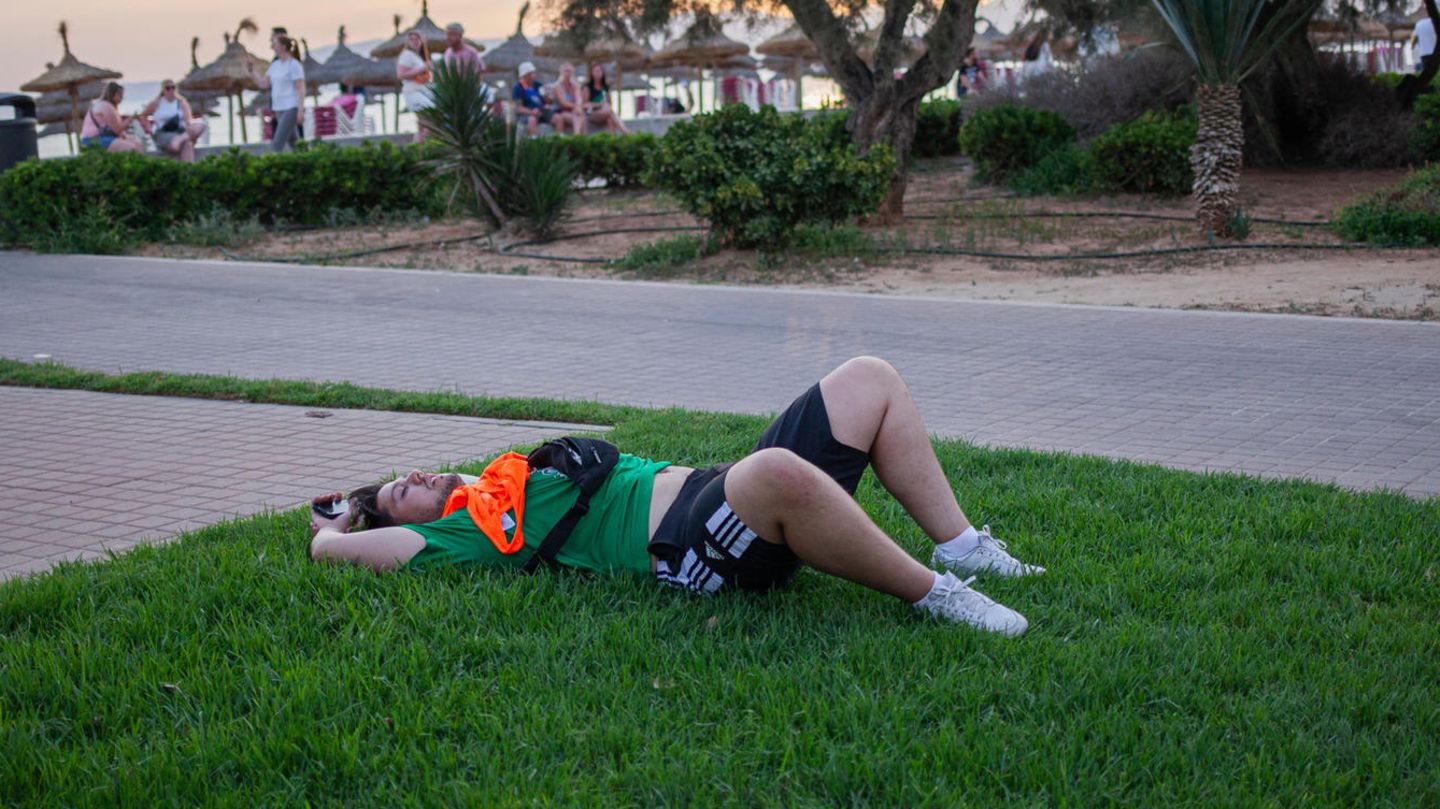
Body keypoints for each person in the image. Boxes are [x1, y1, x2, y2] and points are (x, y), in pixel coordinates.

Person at [308, 357, 1046, 637]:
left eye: (408, 472)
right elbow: (331, 548)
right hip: (689, 549)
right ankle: (938, 594)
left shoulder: (505, 481)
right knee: (776, 471)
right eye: (399, 495)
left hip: (714, 490)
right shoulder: (459, 539)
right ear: (406, 524)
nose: (413, 480)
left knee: (869, 378)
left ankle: (965, 544)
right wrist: (341, 519)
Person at [249, 34, 305, 152]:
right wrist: (252, 71)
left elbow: (300, 89)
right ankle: (307, 163)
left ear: (283, 47)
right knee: (294, 142)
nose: (272, 47)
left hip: (291, 107)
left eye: (274, 44)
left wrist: (300, 110)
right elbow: (264, 84)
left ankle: (272, 167)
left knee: (277, 143)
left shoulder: (294, 65)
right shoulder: (275, 65)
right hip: (278, 108)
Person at [139, 80, 207, 162]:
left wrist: (188, 129)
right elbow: (143, 116)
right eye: (168, 88)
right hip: (164, 132)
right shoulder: (157, 103)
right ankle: (182, 141)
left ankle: (188, 170)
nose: (171, 90)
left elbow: (188, 119)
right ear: (163, 90)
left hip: (181, 131)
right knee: (185, 145)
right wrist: (149, 130)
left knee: (201, 125)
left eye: (173, 87)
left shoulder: (181, 102)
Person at [78, 82, 144, 153]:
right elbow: (117, 129)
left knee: (139, 146)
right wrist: (132, 118)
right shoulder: (106, 106)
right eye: (120, 95)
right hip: (92, 140)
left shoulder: (100, 104)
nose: (122, 98)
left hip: (93, 139)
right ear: (114, 94)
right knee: (133, 148)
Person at [397, 30, 435, 142]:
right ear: (407, 42)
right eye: (411, 39)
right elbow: (401, 75)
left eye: (417, 39)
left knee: (423, 124)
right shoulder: (406, 55)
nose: (415, 41)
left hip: (424, 92)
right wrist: (423, 68)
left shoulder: (419, 57)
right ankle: (422, 146)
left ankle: (419, 147)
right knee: (428, 119)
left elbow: (426, 81)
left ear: (422, 41)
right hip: (413, 93)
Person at [582, 61, 630, 134]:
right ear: (591, 73)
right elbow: (585, 104)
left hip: (605, 112)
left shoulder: (605, 86)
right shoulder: (587, 87)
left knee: (610, 119)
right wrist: (599, 105)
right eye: (596, 71)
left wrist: (606, 105)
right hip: (592, 113)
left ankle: (612, 141)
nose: (598, 73)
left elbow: (609, 102)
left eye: (599, 71)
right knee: (610, 113)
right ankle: (626, 132)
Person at [512, 61, 551, 137]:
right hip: (527, 114)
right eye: (530, 74)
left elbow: (547, 101)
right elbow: (518, 108)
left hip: (541, 112)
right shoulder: (518, 87)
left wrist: (547, 97)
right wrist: (531, 112)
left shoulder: (538, 85)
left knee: (557, 118)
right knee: (532, 119)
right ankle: (534, 140)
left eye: (533, 73)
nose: (533, 75)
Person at [551, 63, 585, 135]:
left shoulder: (575, 85)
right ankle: (578, 138)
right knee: (579, 116)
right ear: (561, 72)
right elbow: (563, 103)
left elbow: (578, 99)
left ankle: (577, 136)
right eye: (566, 71)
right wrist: (576, 106)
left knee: (580, 116)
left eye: (570, 71)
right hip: (560, 111)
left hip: (573, 111)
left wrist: (578, 106)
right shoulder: (557, 86)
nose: (568, 73)